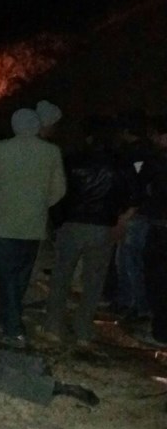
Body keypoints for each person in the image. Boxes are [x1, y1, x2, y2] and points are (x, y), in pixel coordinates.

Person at [42, 123, 138, 348]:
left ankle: (53, 326)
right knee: (94, 281)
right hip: (102, 227)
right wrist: (120, 219)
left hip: (72, 224)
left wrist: (58, 222)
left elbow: (58, 193)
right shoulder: (121, 164)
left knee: (61, 276)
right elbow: (134, 196)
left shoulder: (73, 160)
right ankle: (83, 329)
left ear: (88, 138)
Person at [0, 109, 66, 348]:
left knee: (5, 276)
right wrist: (39, 204)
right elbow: (59, 190)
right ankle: (5, 321)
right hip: (33, 225)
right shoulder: (51, 152)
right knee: (21, 277)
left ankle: (13, 329)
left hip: (3, 224)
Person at [112, 111, 153, 322]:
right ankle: (129, 301)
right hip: (141, 212)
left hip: (134, 213)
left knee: (129, 261)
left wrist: (126, 213)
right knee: (129, 260)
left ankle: (136, 305)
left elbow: (134, 186)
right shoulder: (149, 151)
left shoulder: (132, 154)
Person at [138, 115, 167, 345]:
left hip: (160, 227)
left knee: (157, 280)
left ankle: (160, 331)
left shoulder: (156, 161)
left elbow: (142, 184)